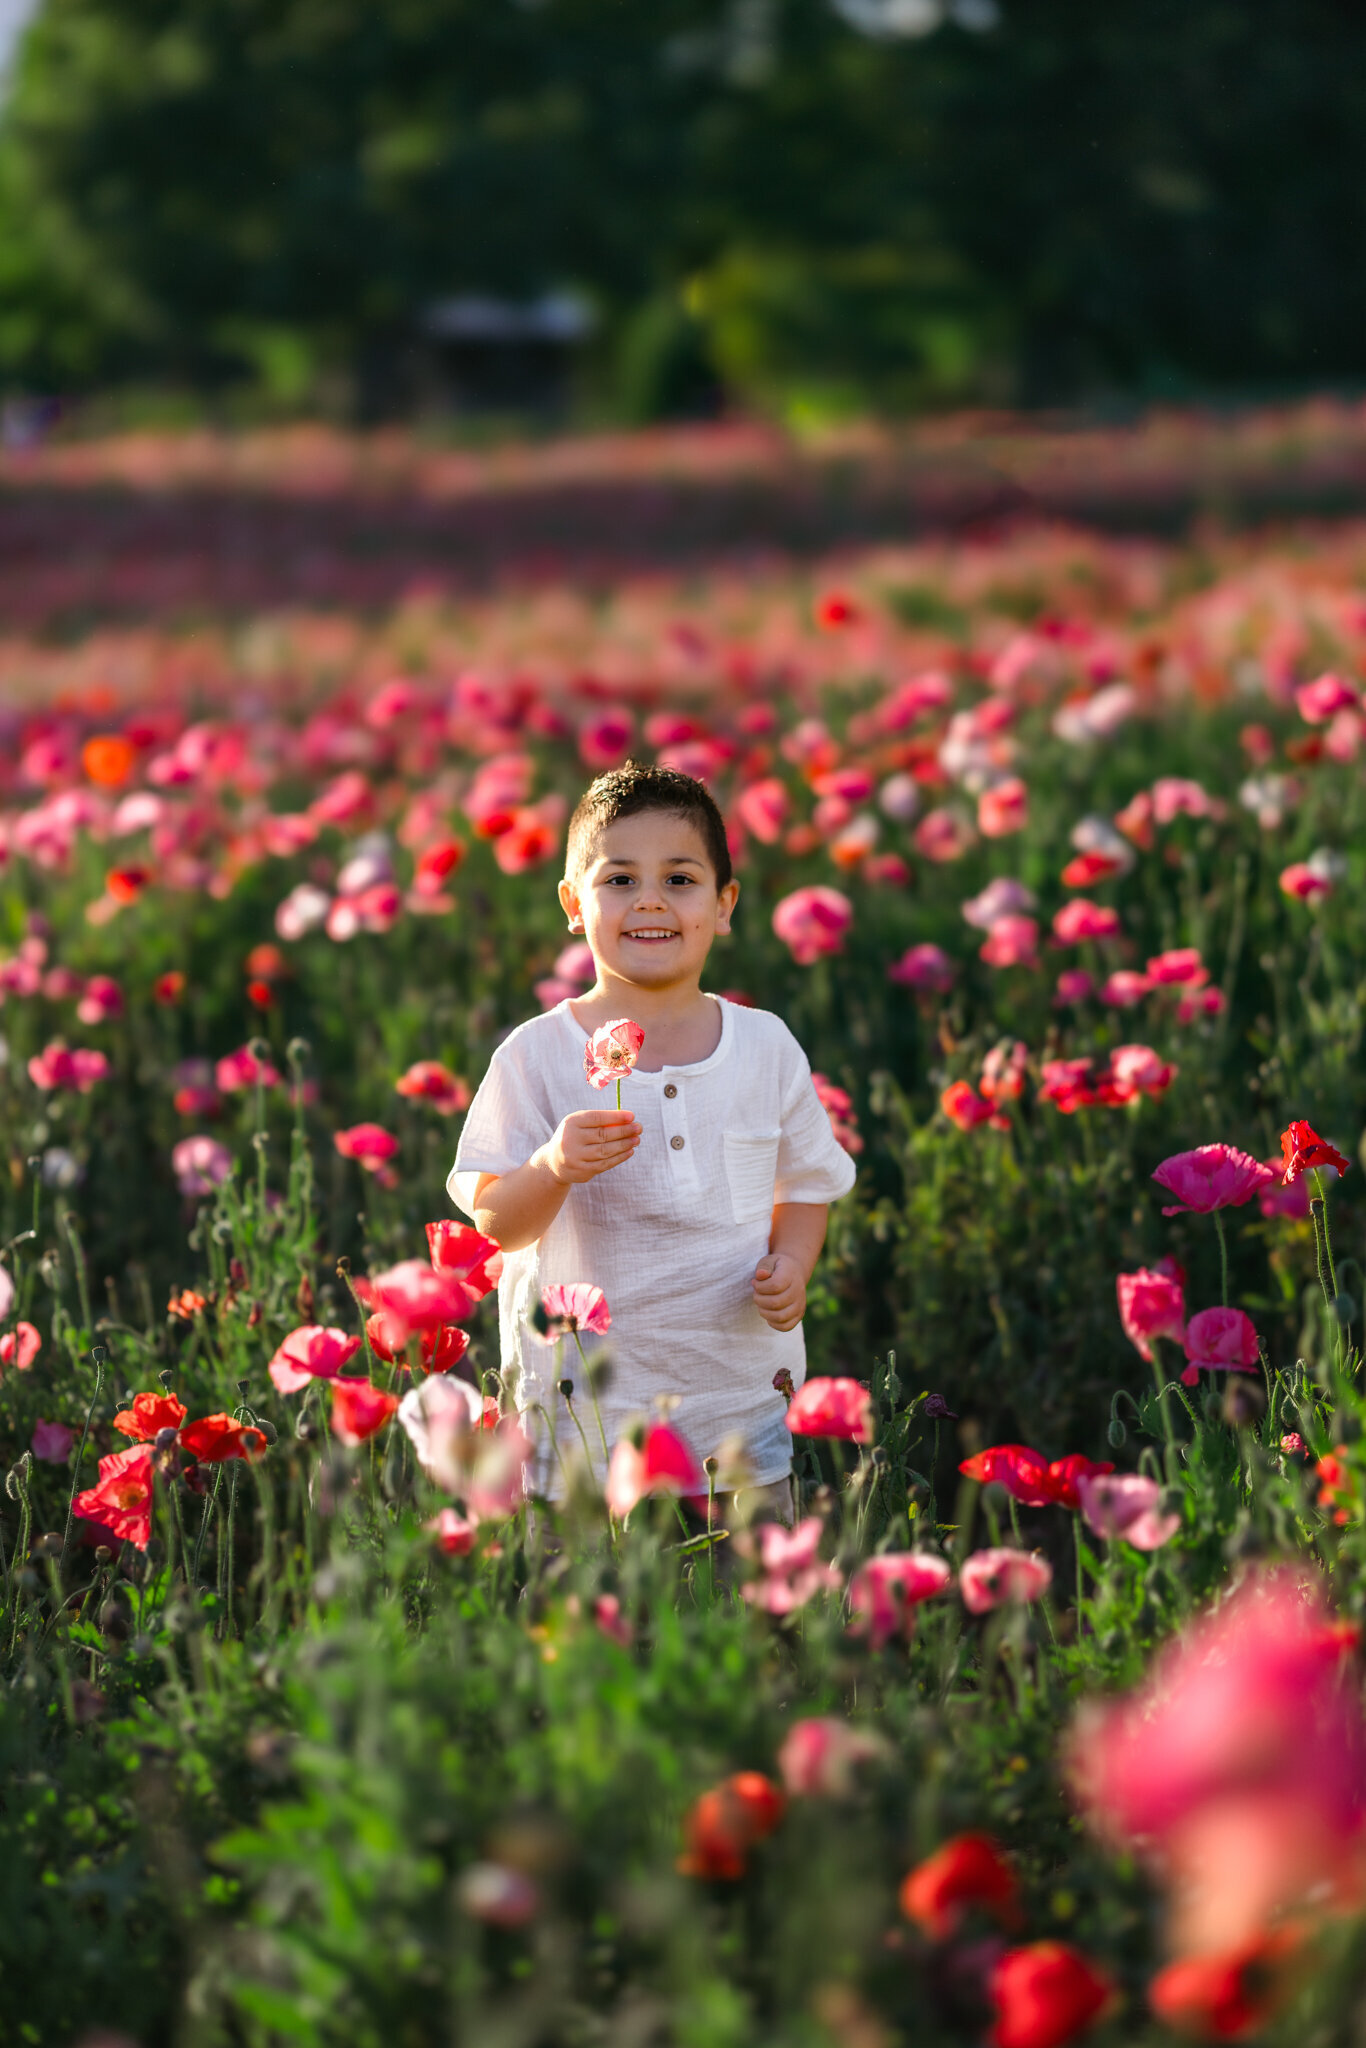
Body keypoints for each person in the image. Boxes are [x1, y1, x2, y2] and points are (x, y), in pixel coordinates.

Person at [448, 762, 856, 1520]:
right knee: (595, 1617)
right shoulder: (535, 1057)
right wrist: (552, 1166)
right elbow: (496, 1221)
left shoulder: (764, 1048)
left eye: (679, 878)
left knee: (748, 1614)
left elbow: (806, 1182)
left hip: (737, 1407)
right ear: (574, 903)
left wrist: (793, 1263)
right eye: (620, 880)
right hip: (586, 1424)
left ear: (724, 904)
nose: (650, 901)